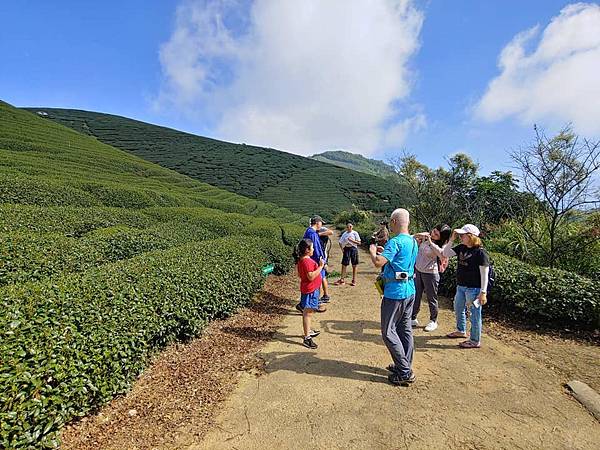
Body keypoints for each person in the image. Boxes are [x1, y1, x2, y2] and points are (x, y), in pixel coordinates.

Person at [369, 208, 418, 386]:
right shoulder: (412, 241)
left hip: (395, 293)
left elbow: (378, 263)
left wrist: (374, 251)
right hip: (410, 290)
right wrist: (385, 251)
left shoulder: (395, 242)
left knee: (388, 331)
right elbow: (399, 260)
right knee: (405, 329)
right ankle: (403, 363)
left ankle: (404, 371)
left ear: (394, 222)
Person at [437, 224, 490, 349]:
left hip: (474, 289)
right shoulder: (462, 247)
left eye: (463, 235)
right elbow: (445, 253)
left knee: (475, 315)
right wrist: (452, 239)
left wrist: (483, 292)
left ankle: (475, 340)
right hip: (461, 287)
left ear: (471, 236)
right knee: (458, 308)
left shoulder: (481, 253)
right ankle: (461, 331)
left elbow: (484, 274)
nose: (461, 237)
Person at [411, 224, 452, 332]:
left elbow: (442, 255)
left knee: (431, 298)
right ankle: (413, 318)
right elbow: (409, 239)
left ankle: (433, 321)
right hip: (418, 271)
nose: (433, 234)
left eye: (436, 234)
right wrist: (416, 235)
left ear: (442, 238)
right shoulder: (425, 238)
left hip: (431, 274)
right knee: (416, 295)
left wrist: (430, 241)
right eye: (433, 231)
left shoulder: (443, 246)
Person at [293, 239, 325, 349]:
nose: (314, 249)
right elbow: (310, 276)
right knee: (308, 313)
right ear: (307, 250)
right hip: (310, 290)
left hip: (310, 289)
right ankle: (307, 338)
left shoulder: (303, 260)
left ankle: (308, 330)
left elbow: (300, 275)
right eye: (312, 248)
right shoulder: (306, 261)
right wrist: (320, 267)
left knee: (309, 312)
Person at [302, 215, 331, 304]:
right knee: (316, 281)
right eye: (321, 223)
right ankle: (312, 302)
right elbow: (317, 249)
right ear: (318, 222)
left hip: (312, 260)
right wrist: (323, 262)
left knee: (316, 280)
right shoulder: (313, 233)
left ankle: (310, 302)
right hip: (316, 261)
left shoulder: (309, 231)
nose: (321, 225)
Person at [334, 222, 361, 286]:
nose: (349, 228)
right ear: (346, 227)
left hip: (353, 248)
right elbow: (340, 242)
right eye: (348, 227)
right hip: (346, 248)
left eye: (350, 226)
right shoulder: (345, 234)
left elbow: (359, 243)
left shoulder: (355, 233)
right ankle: (342, 279)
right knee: (344, 264)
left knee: (354, 264)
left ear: (352, 227)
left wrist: (352, 241)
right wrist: (342, 249)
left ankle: (354, 280)